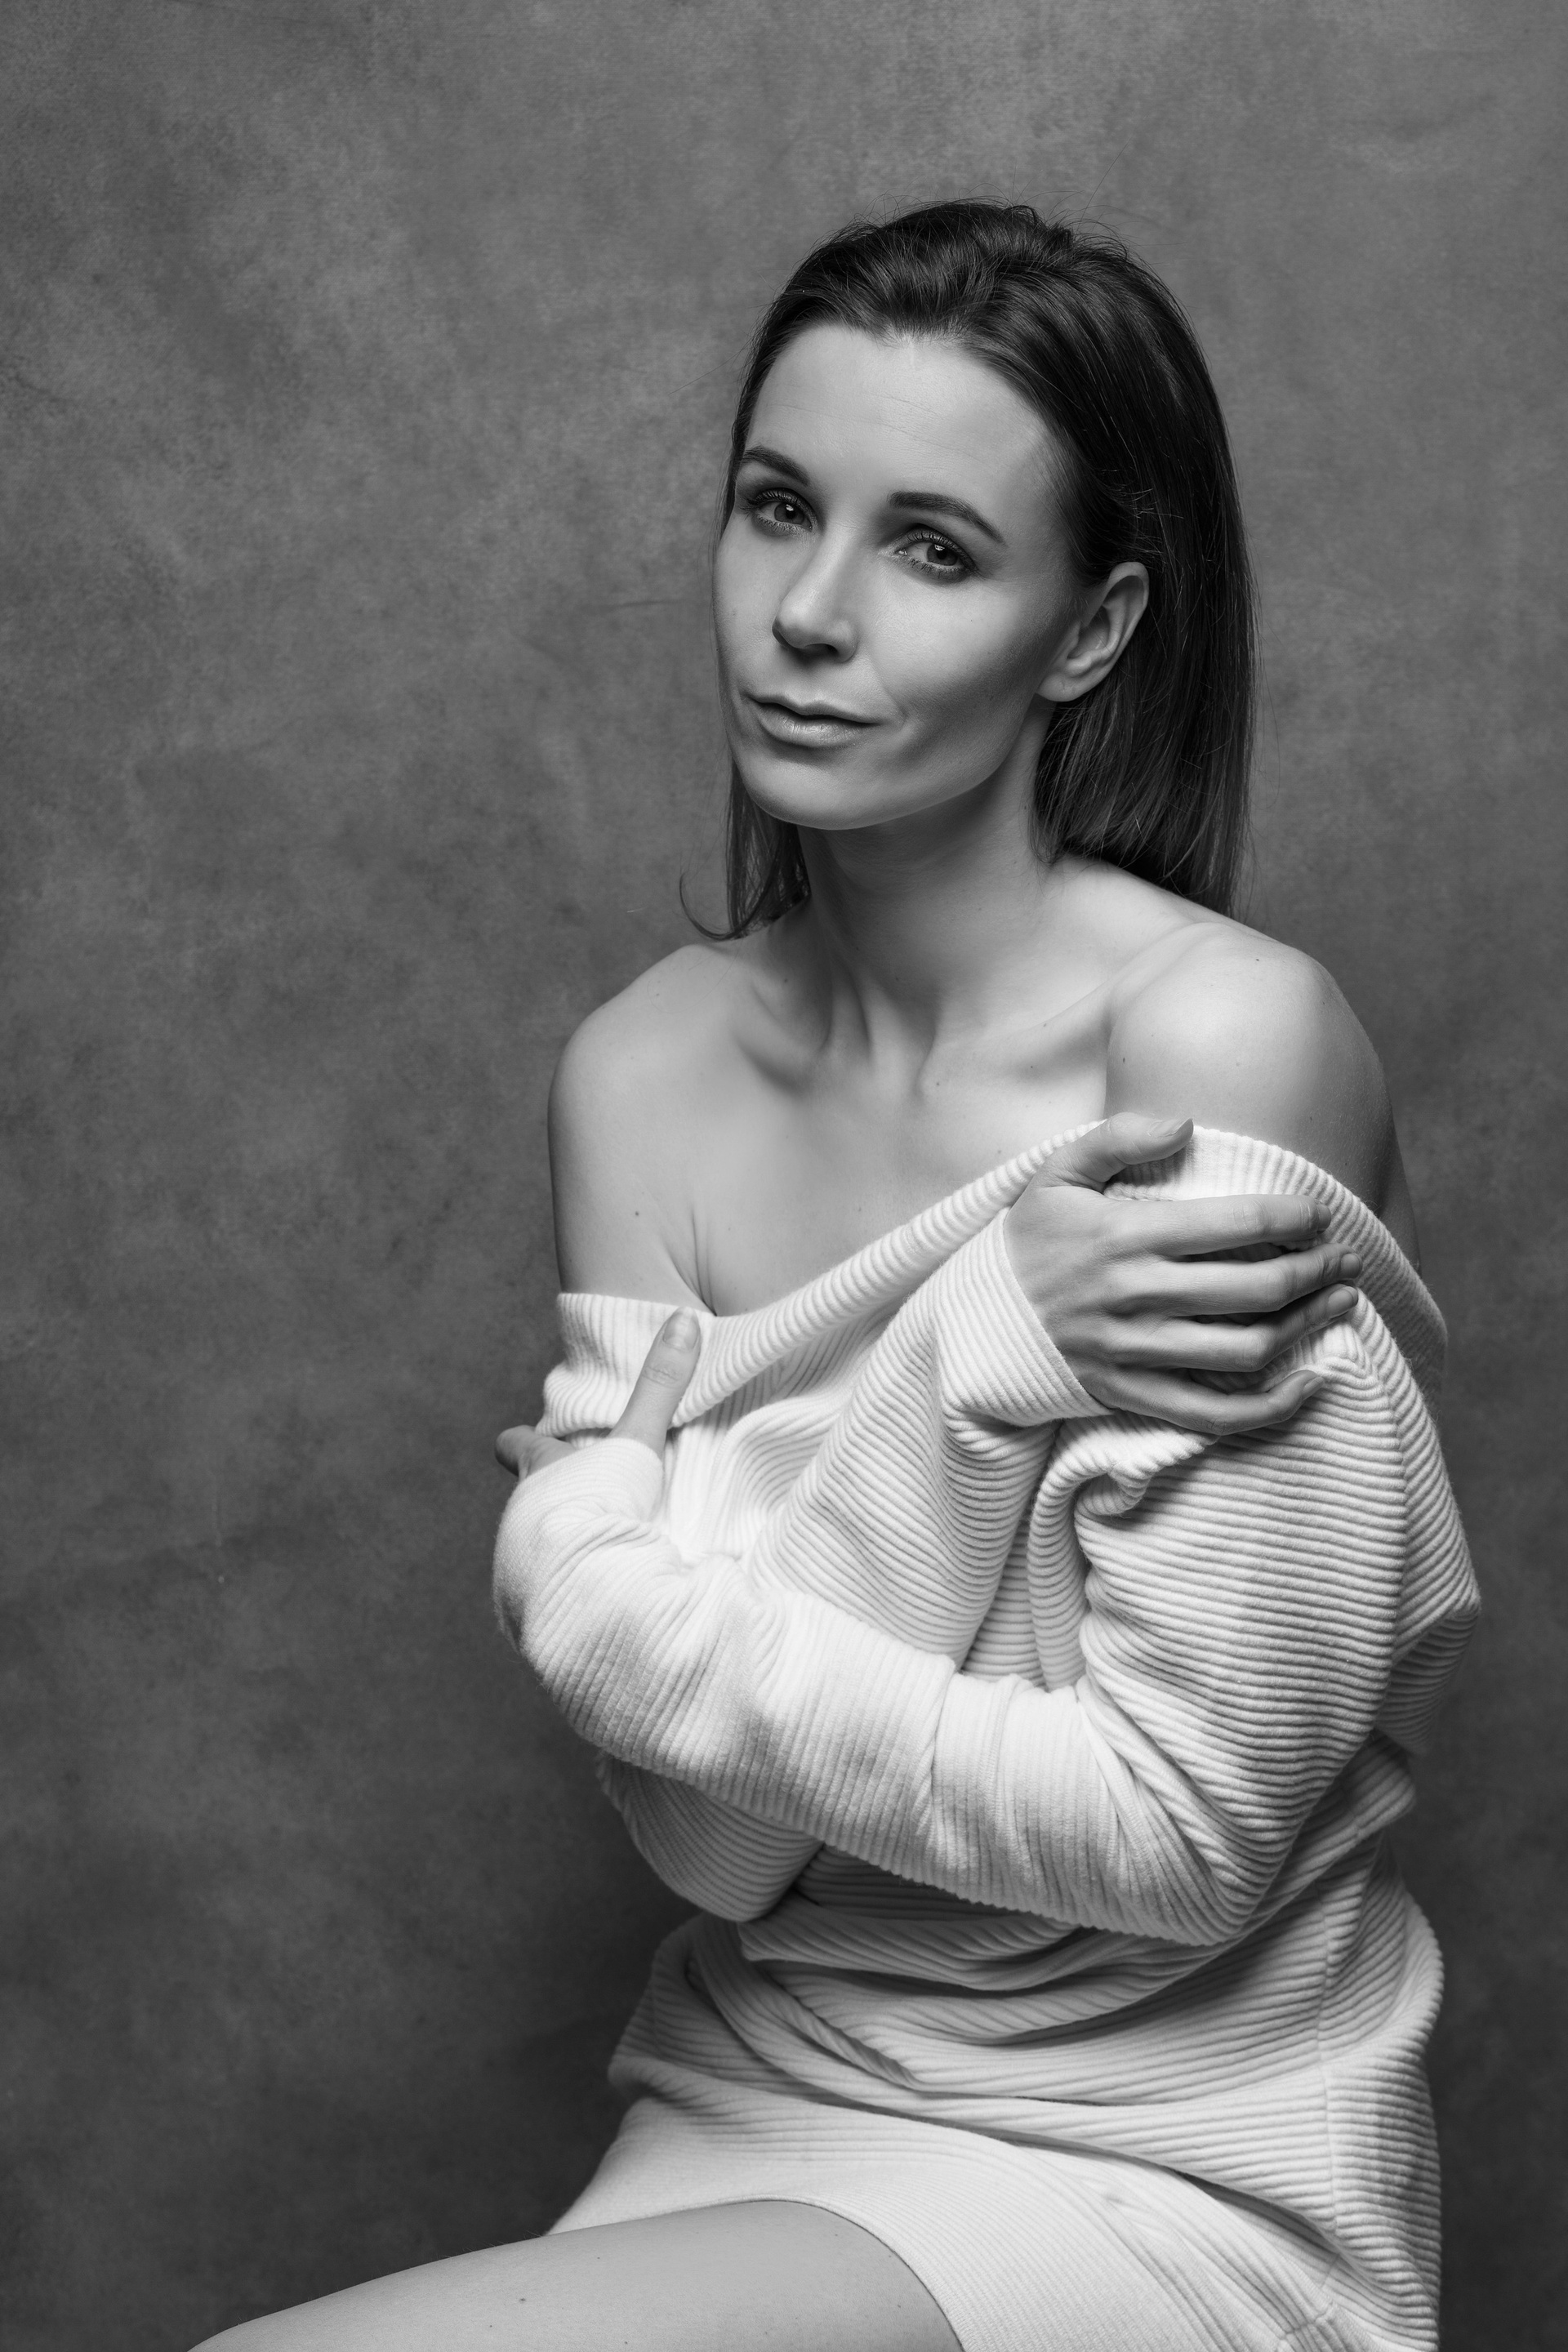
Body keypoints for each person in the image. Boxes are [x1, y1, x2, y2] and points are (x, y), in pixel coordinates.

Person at [201, 204, 1476, 2352]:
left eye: (935, 549)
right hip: (752, 2090)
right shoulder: (639, 1076)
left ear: (1091, 630)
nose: (806, 612)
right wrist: (979, 1366)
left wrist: (609, 1590)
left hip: (1169, 2159)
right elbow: (710, 1851)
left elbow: (1183, 1838)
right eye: (778, 507)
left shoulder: (1217, 1048)